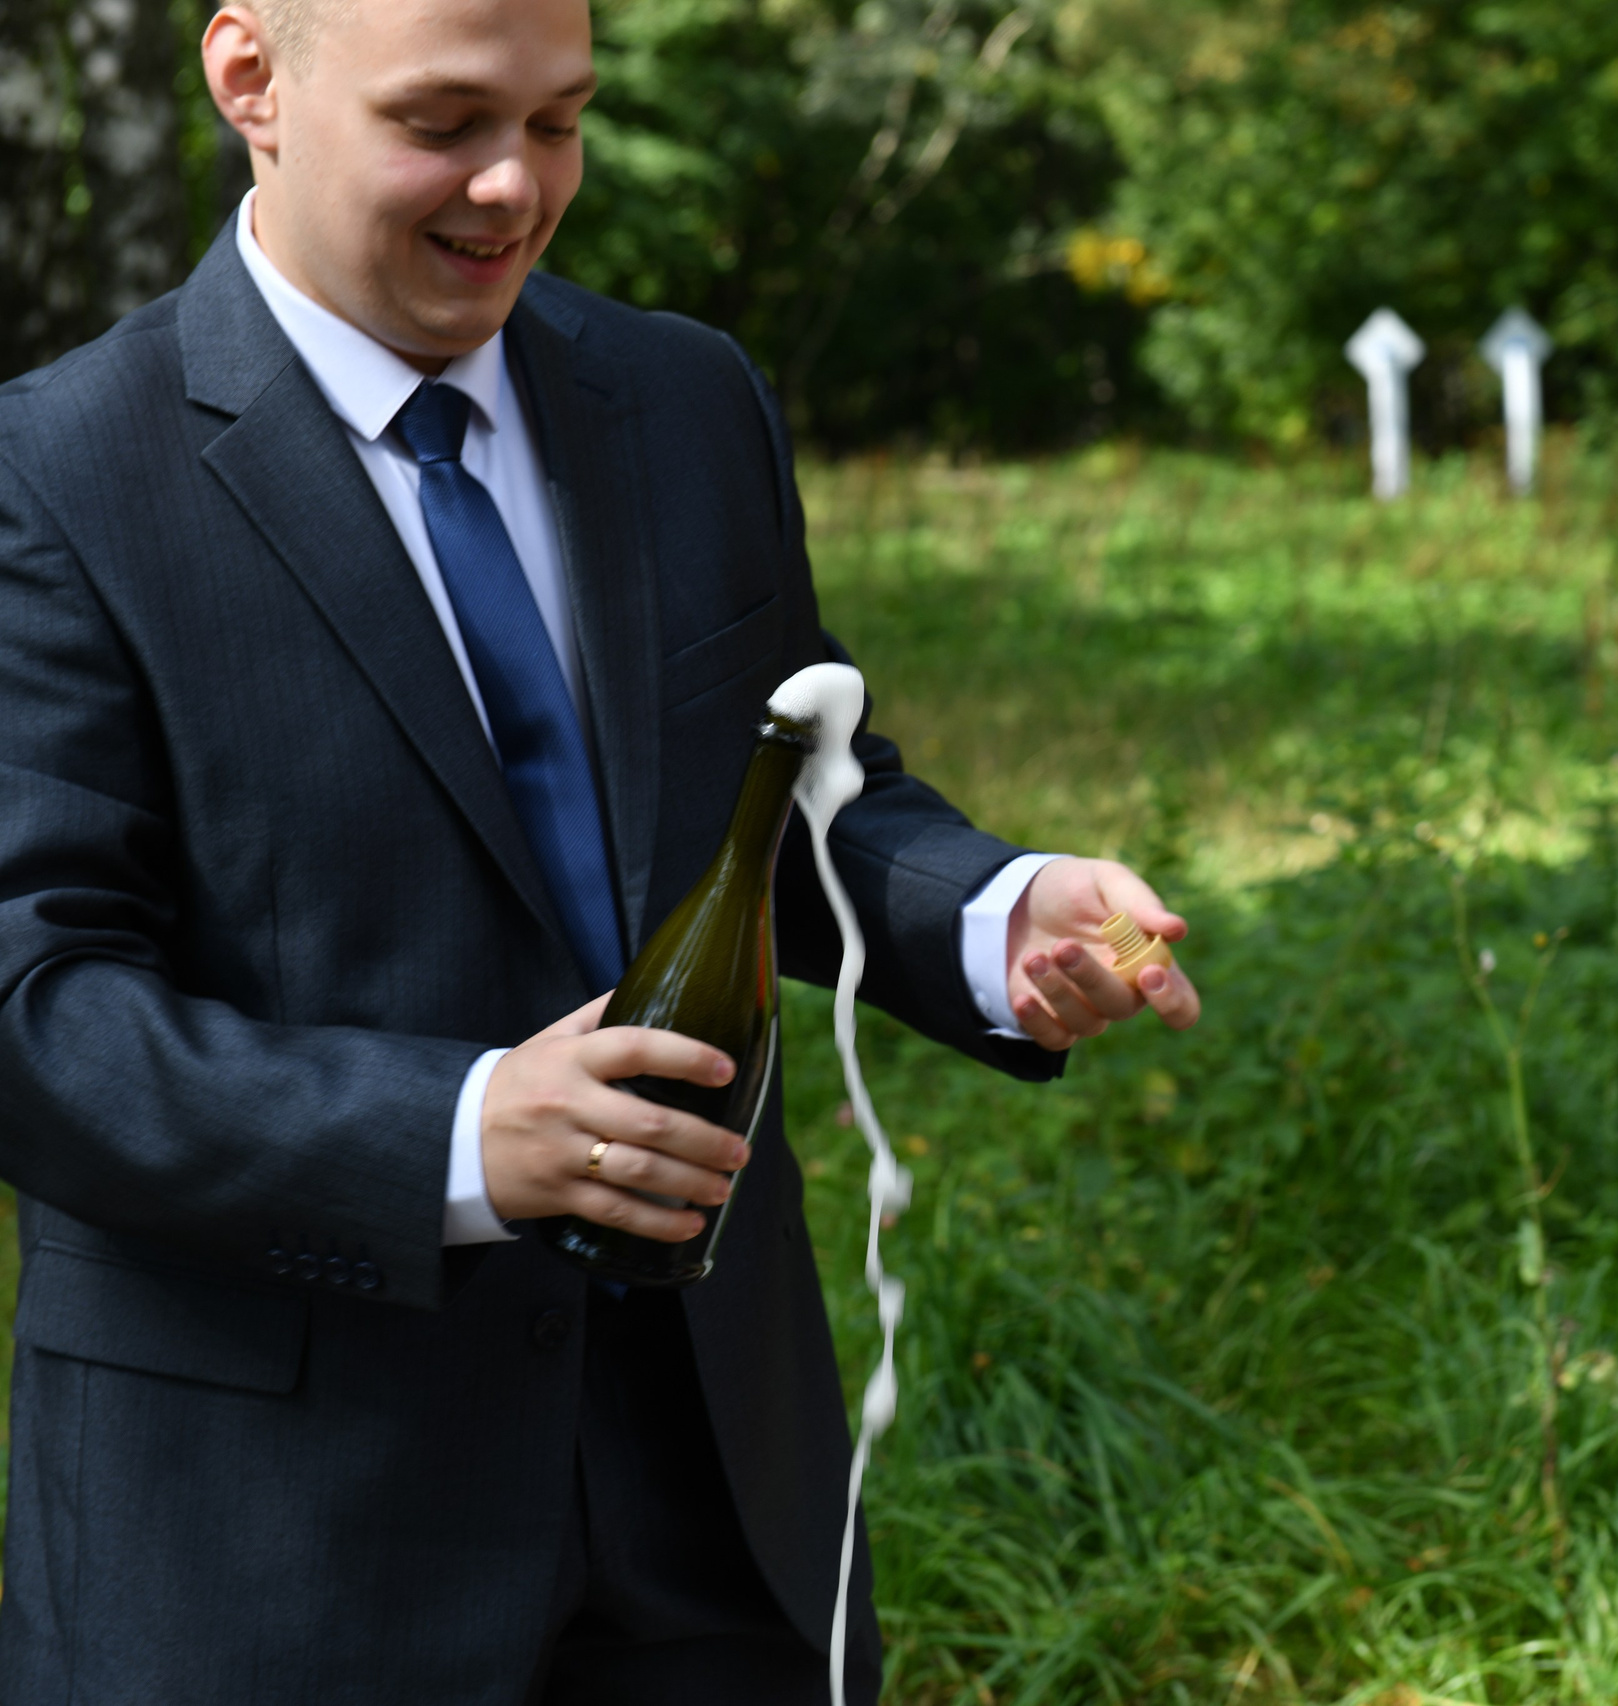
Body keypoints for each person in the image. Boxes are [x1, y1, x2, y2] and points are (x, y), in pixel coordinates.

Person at [0, 1, 1200, 1700]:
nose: (513, 185)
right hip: (277, 1557)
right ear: (250, 78)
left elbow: (790, 806)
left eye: (560, 121)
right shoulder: (51, 474)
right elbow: (33, 1010)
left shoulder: (686, 398)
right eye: (444, 122)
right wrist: (464, 1133)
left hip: (718, 1511)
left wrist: (991, 913)